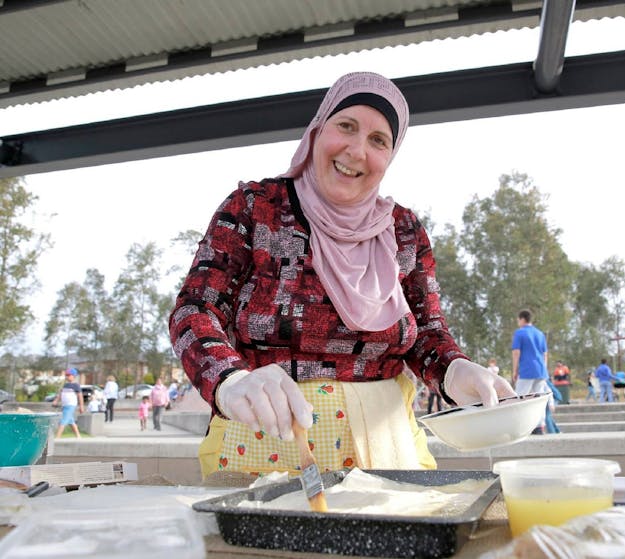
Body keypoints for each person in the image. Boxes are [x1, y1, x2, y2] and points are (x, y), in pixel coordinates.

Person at [168, 72, 516, 478]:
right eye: (346, 127)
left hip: (387, 451)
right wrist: (228, 380)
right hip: (264, 445)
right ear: (318, 130)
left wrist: (455, 369)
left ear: (391, 154)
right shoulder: (255, 207)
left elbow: (426, 333)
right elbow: (194, 310)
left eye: (378, 140)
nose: (356, 150)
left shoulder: (404, 231)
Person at [511, 309, 550, 434]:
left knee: (519, 398)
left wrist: (515, 370)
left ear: (522, 319)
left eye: (518, 319)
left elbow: (516, 352)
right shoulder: (540, 333)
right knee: (538, 399)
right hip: (541, 370)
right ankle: (539, 426)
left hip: (527, 370)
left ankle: (518, 426)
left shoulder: (520, 333)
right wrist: (544, 369)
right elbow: (545, 354)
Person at [52, 368, 85, 438]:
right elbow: (60, 394)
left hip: (71, 405)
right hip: (65, 405)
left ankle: (57, 437)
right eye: (66, 375)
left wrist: (81, 406)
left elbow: (80, 396)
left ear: (73, 376)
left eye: (68, 375)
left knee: (63, 421)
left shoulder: (76, 385)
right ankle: (78, 436)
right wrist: (56, 400)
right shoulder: (65, 385)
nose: (67, 377)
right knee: (70, 421)